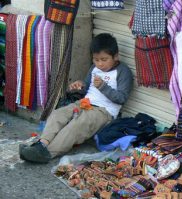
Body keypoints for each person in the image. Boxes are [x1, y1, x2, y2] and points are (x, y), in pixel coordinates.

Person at [19, 33, 133, 163]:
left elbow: (122, 98)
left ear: (116, 56)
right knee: (58, 114)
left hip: (104, 111)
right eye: (96, 59)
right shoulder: (94, 68)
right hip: (84, 103)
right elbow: (86, 88)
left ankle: (47, 153)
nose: (100, 64)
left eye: (104, 59)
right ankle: (42, 144)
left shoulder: (123, 71)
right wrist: (79, 85)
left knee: (76, 125)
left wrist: (103, 86)